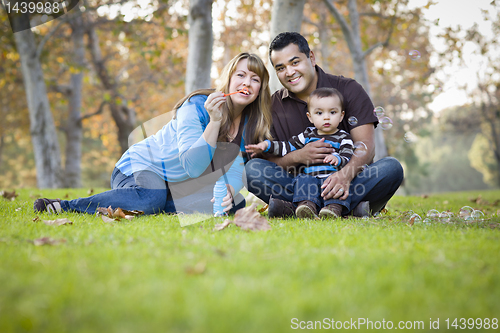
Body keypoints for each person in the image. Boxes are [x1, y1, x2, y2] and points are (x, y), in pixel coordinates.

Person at [34, 53, 272, 216]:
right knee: (151, 199)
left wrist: (229, 190)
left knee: (230, 204)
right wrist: (215, 122)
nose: (247, 83)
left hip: (173, 184)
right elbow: (192, 166)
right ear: (228, 79)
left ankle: (151, 203)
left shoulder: (251, 123)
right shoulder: (196, 107)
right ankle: (65, 206)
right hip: (141, 167)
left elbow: (237, 165)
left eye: (255, 79)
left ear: (260, 89)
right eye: (240, 75)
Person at [244, 32, 404, 218]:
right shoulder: (272, 107)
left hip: (349, 180)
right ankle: (346, 209)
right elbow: (269, 162)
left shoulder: (349, 89)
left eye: (295, 62)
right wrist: (298, 156)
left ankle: (295, 209)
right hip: (300, 185)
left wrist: (343, 176)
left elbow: (366, 148)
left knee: (391, 168)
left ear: (311, 57)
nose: (289, 72)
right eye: (280, 68)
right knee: (252, 170)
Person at [245, 87, 353, 219]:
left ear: (341, 116)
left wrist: (338, 158)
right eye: (319, 113)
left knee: (335, 185)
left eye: (332, 112)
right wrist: (267, 145)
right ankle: (306, 206)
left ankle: (333, 209)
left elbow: (348, 155)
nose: (326, 117)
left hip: (331, 179)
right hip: (310, 181)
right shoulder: (307, 135)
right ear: (310, 117)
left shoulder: (344, 137)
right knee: (304, 179)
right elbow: (288, 147)